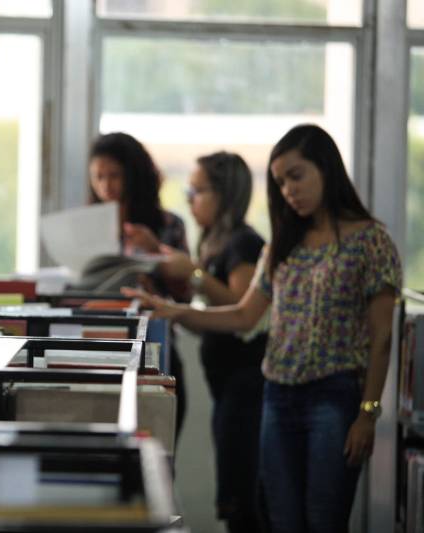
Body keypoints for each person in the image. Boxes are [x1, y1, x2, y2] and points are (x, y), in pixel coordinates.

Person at [123, 124, 401, 533]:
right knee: (281, 521)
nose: (289, 190)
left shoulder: (370, 240)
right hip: (278, 396)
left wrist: (368, 413)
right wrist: (174, 311)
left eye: (297, 176)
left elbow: (382, 336)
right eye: (280, 182)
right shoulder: (282, 244)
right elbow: (242, 315)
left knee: (324, 520)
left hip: (334, 397)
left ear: (326, 168)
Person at [157, 151, 267, 532]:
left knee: (242, 500)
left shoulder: (244, 243)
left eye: (198, 190)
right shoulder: (217, 243)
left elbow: (240, 309)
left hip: (247, 386)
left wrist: (195, 275)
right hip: (227, 387)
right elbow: (213, 320)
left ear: (225, 195)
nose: (189, 198)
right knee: (234, 492)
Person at [88, 131, 190, 438]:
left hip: (156, 349)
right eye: (98, 177)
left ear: (133, 175)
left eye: (115, 175)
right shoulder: (86, 226)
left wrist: (156, 252)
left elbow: (186, 295)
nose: (106, 186)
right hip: (95, 347)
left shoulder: (169, 225)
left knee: (159, 451)